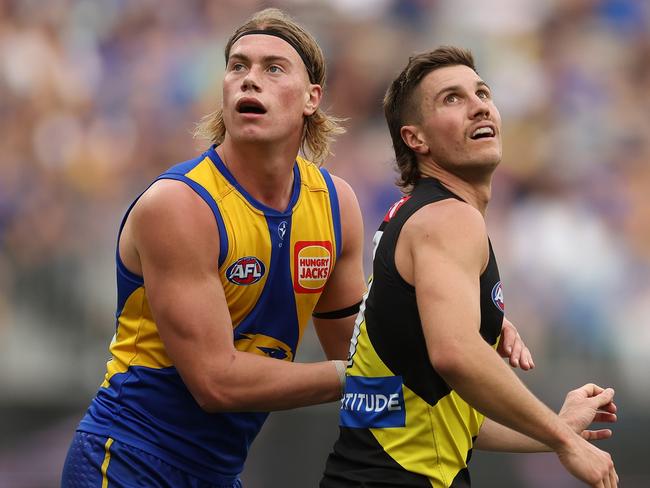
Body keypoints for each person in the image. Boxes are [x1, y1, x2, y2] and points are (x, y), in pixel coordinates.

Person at [60, 8, 369, 488]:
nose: (249, 80)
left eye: (272, 68)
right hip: (128, 460)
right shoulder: (180, 204)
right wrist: (350, 377)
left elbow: (369, 365)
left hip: (218, 473)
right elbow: (216, 382)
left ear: (312, 98)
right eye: (237, 66)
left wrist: (456, 350)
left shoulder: (336, 205)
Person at [320, 46, 618, 488]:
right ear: (415, 138)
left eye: (482, 92)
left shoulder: (411, 218)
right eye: (452, 99)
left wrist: (555, 430)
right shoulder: (449, 218)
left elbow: (445, 419)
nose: (479, 105)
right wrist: (565, 441)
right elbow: (456, 354)